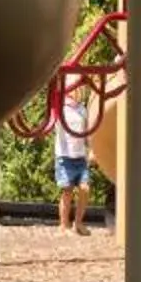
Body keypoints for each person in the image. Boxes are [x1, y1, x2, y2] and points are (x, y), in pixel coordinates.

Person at [54, 82, 100, 234]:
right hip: (65, 156)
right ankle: (63, 224)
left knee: (85, 189)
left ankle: (78, 223)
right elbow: (51, 122)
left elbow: (88, 132)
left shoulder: (82, 109)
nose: (79, 91)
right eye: (75, 89)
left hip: (80, 157)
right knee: (67, 191)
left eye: (80, 89)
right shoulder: (61, 108)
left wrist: (92, 151)